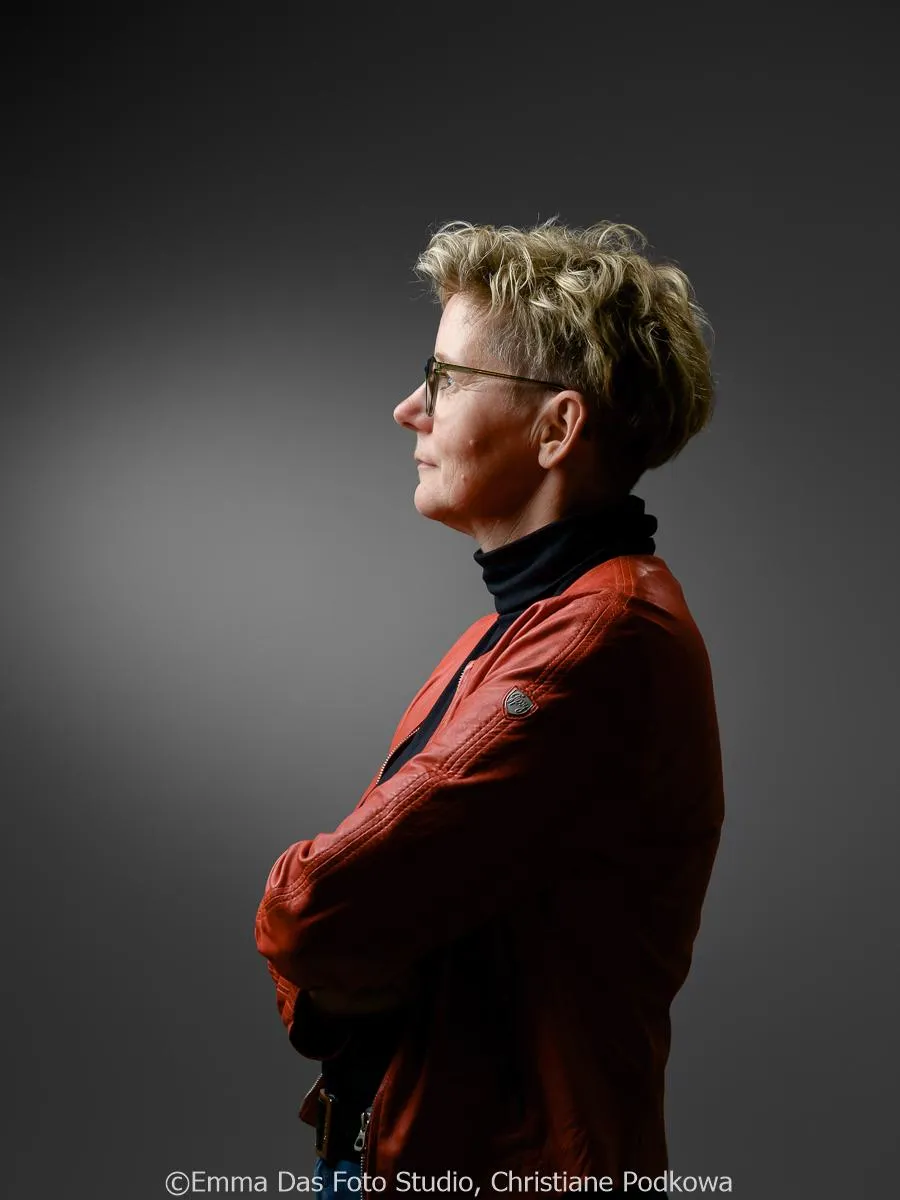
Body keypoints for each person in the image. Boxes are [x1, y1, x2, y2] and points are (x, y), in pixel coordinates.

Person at [255, 218, 724, 1199]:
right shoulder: (510, 635)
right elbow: (349, 925)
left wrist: (344, 949)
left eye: (446, 378)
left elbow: (311, 913)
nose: (407, 410)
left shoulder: (599, 641)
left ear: (557, 429)